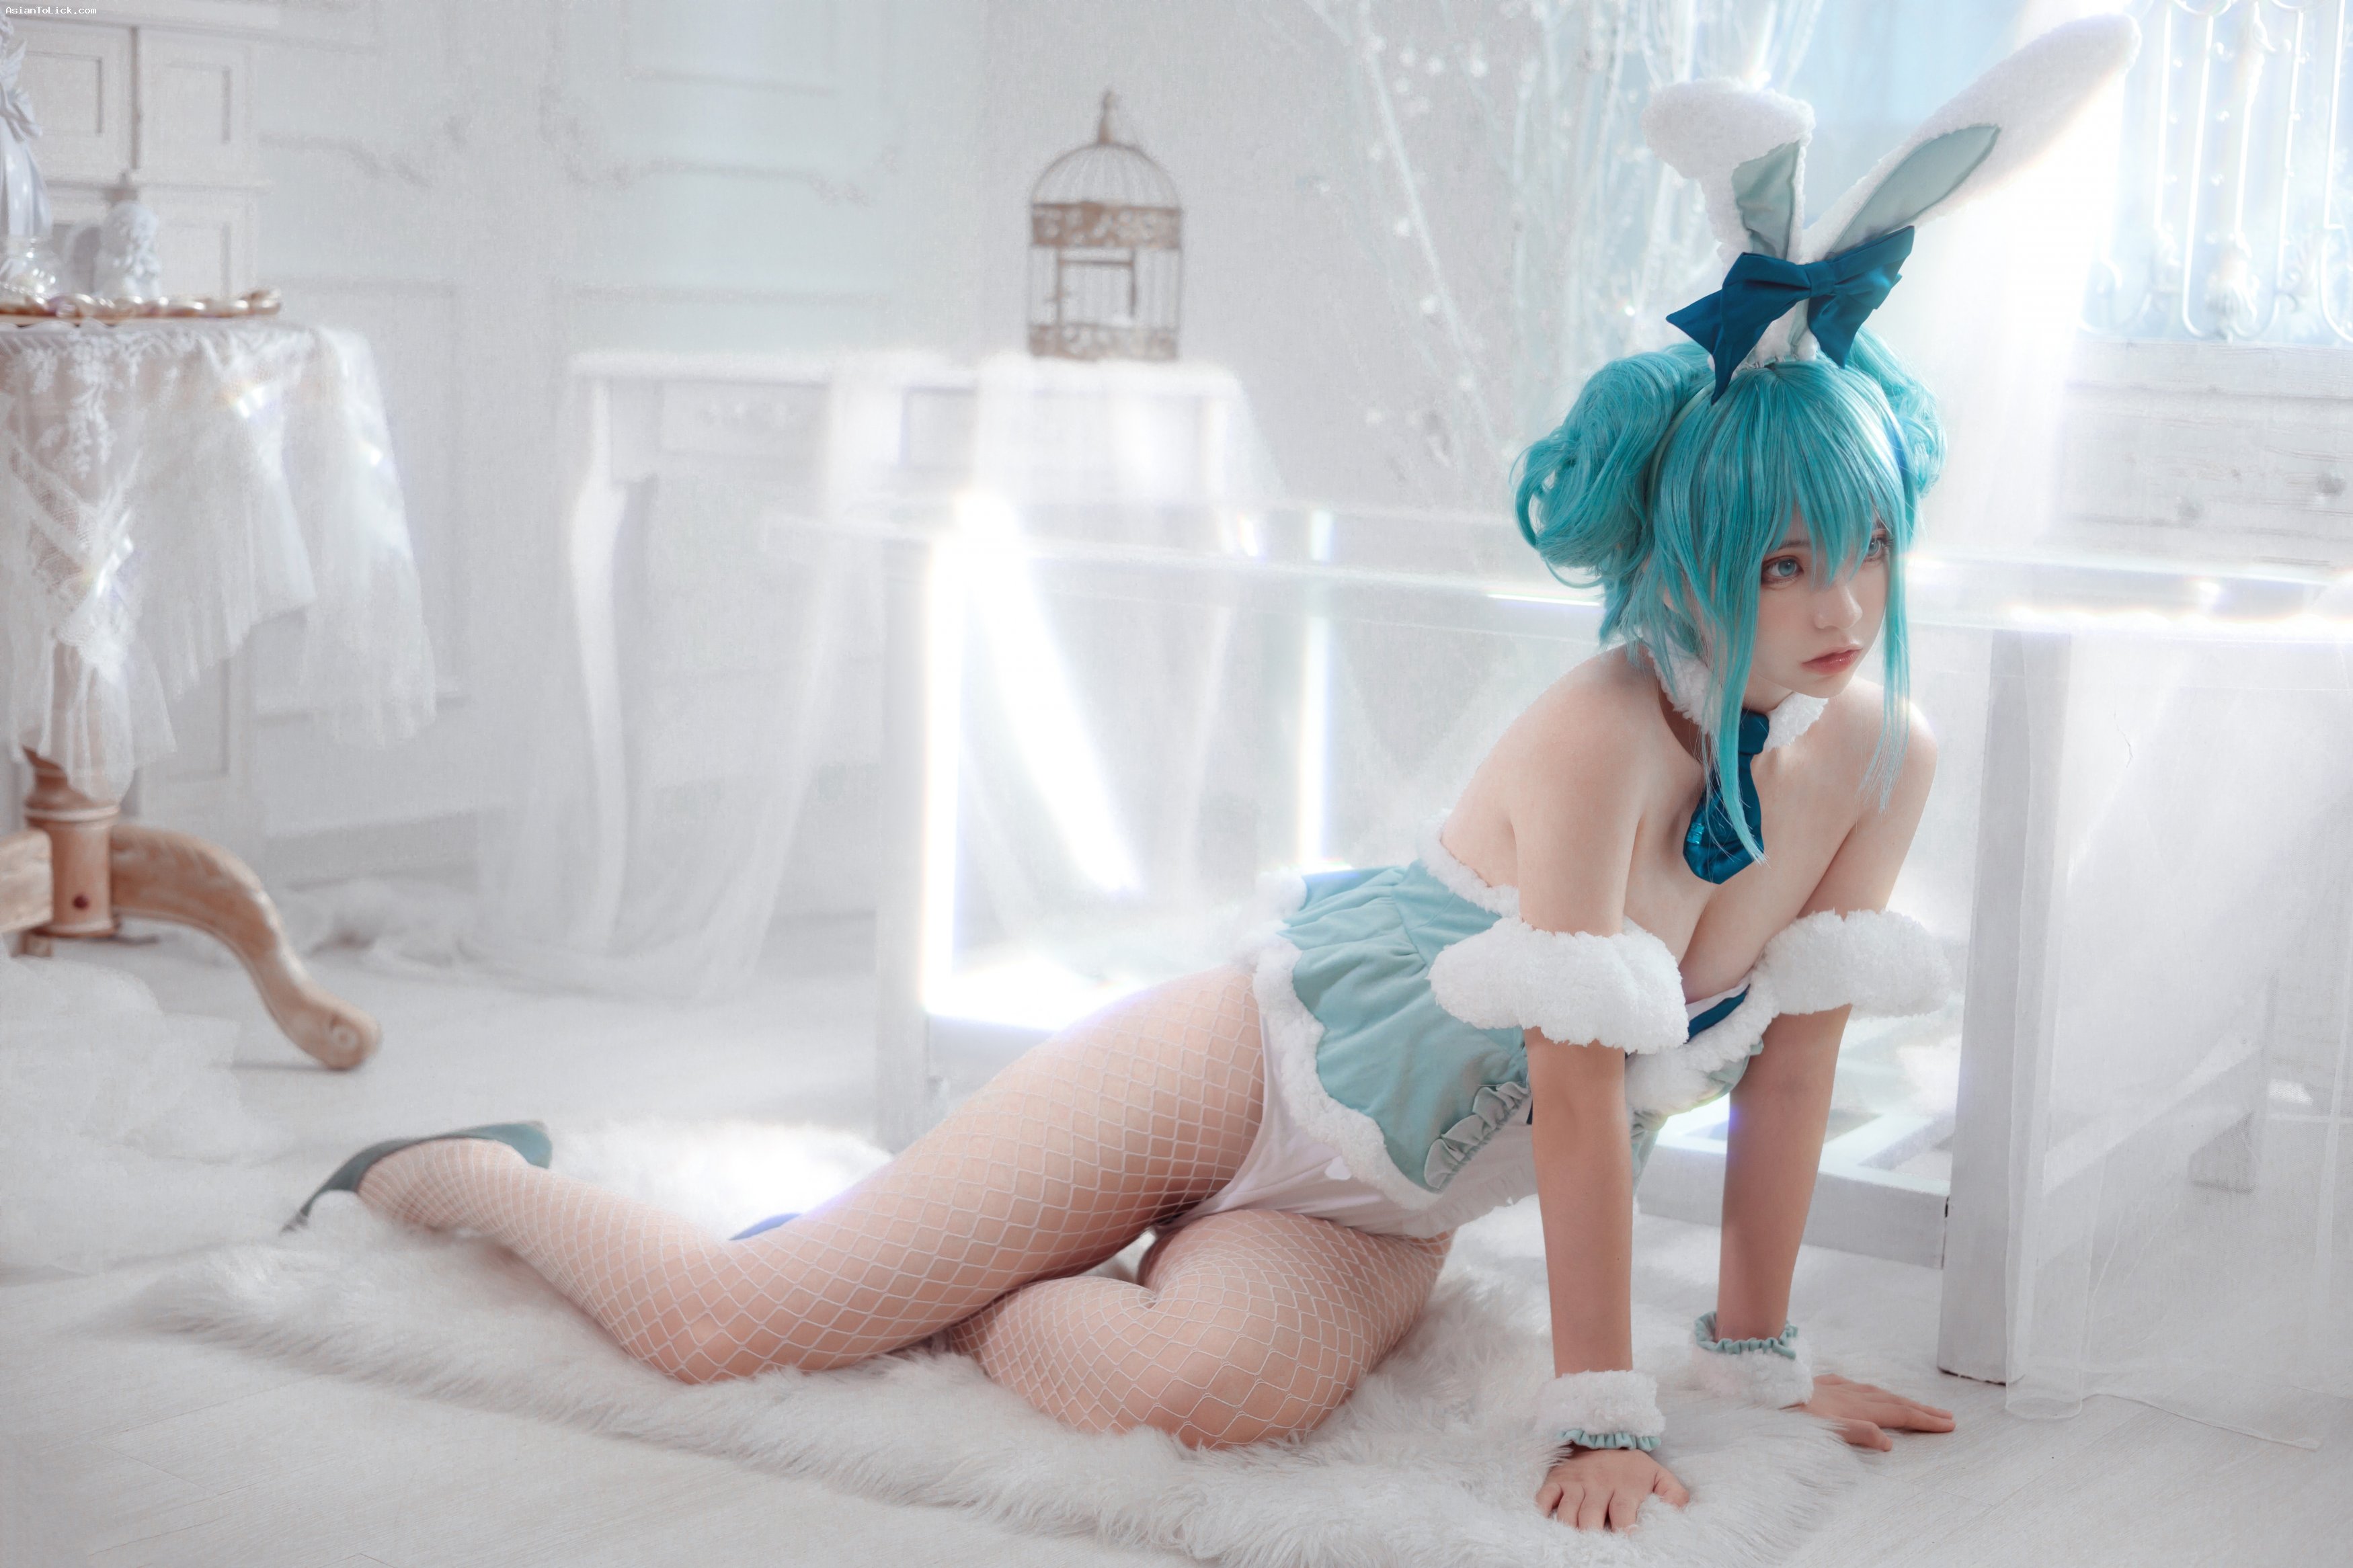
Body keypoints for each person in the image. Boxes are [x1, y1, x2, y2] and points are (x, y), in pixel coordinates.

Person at [295, 15, 2141, 1535]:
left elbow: (1792, 1070)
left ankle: (961, 1289)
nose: (1843, 609)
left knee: (1215, 1395)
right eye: (1783, 563)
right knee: (728, 1326)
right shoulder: (1601, 733)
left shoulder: (1879, 754)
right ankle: (454, 1175)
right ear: (1687, 553)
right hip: (1234, 1071)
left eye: (1869, 548)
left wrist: (1752, 1360)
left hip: (1379, 1207)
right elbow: (1582, 1110)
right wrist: (1598, 1406)